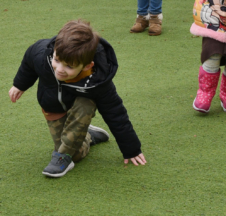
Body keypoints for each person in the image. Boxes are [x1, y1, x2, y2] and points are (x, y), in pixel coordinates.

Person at [8, 20, 146, 178]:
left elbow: (115, 112)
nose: (59, 70)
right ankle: (88, 135)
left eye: (69, 67)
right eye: (57, 60)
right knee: (77, 154)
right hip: (53, 107)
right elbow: (29, 61)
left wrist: (131, 149)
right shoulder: (43, 52)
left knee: (72, 142)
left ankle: (64, 155)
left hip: (80, 106)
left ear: (87, 66)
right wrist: (20, 85)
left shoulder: (98, 81)